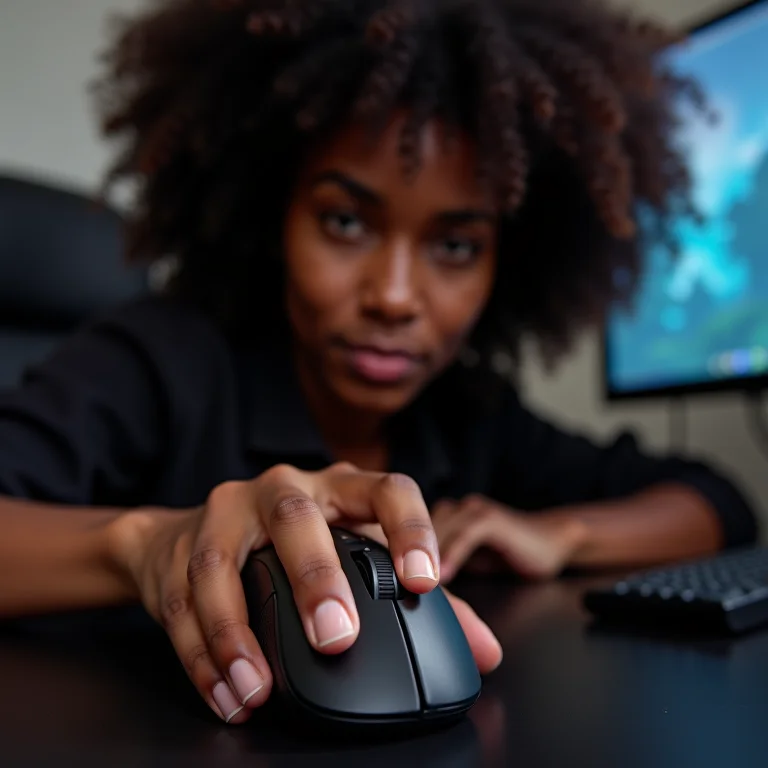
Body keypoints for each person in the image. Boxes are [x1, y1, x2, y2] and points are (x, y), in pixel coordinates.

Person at [0, 0, 758, 726]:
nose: (394, 297)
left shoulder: (468, 410)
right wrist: (142, 546)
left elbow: (714, 501)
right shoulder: (161, 358)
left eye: (455, 245)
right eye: (344, 222)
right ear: (275, 218)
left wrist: (560, 535)